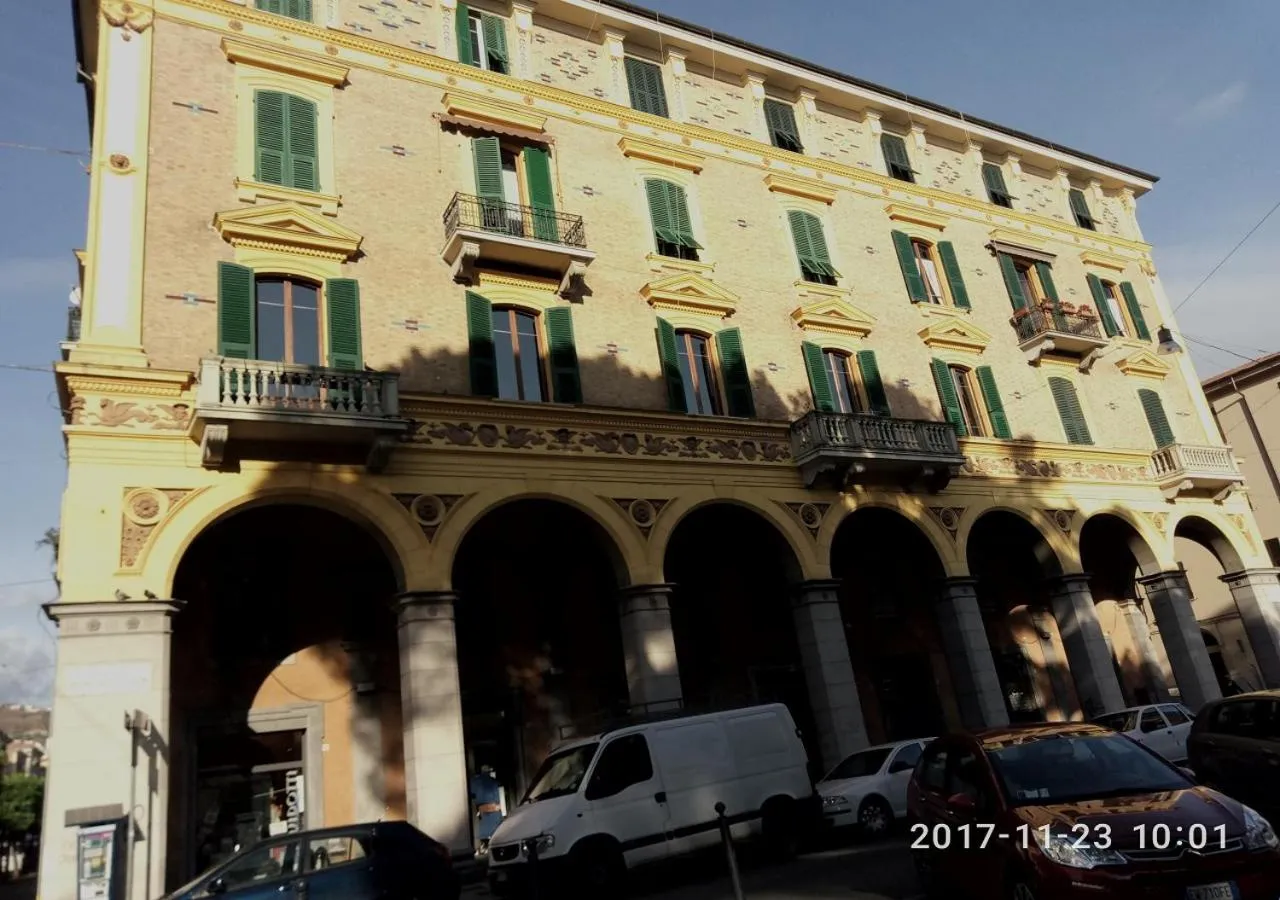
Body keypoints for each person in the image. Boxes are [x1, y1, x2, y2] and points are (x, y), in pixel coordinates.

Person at [470, 765, 504, 855]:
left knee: (484, 830)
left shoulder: (475, 781)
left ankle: (483, 846)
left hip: (483, 810)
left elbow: (472, 794)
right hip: (494, 809)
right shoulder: (493, 781)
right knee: (495, 831)